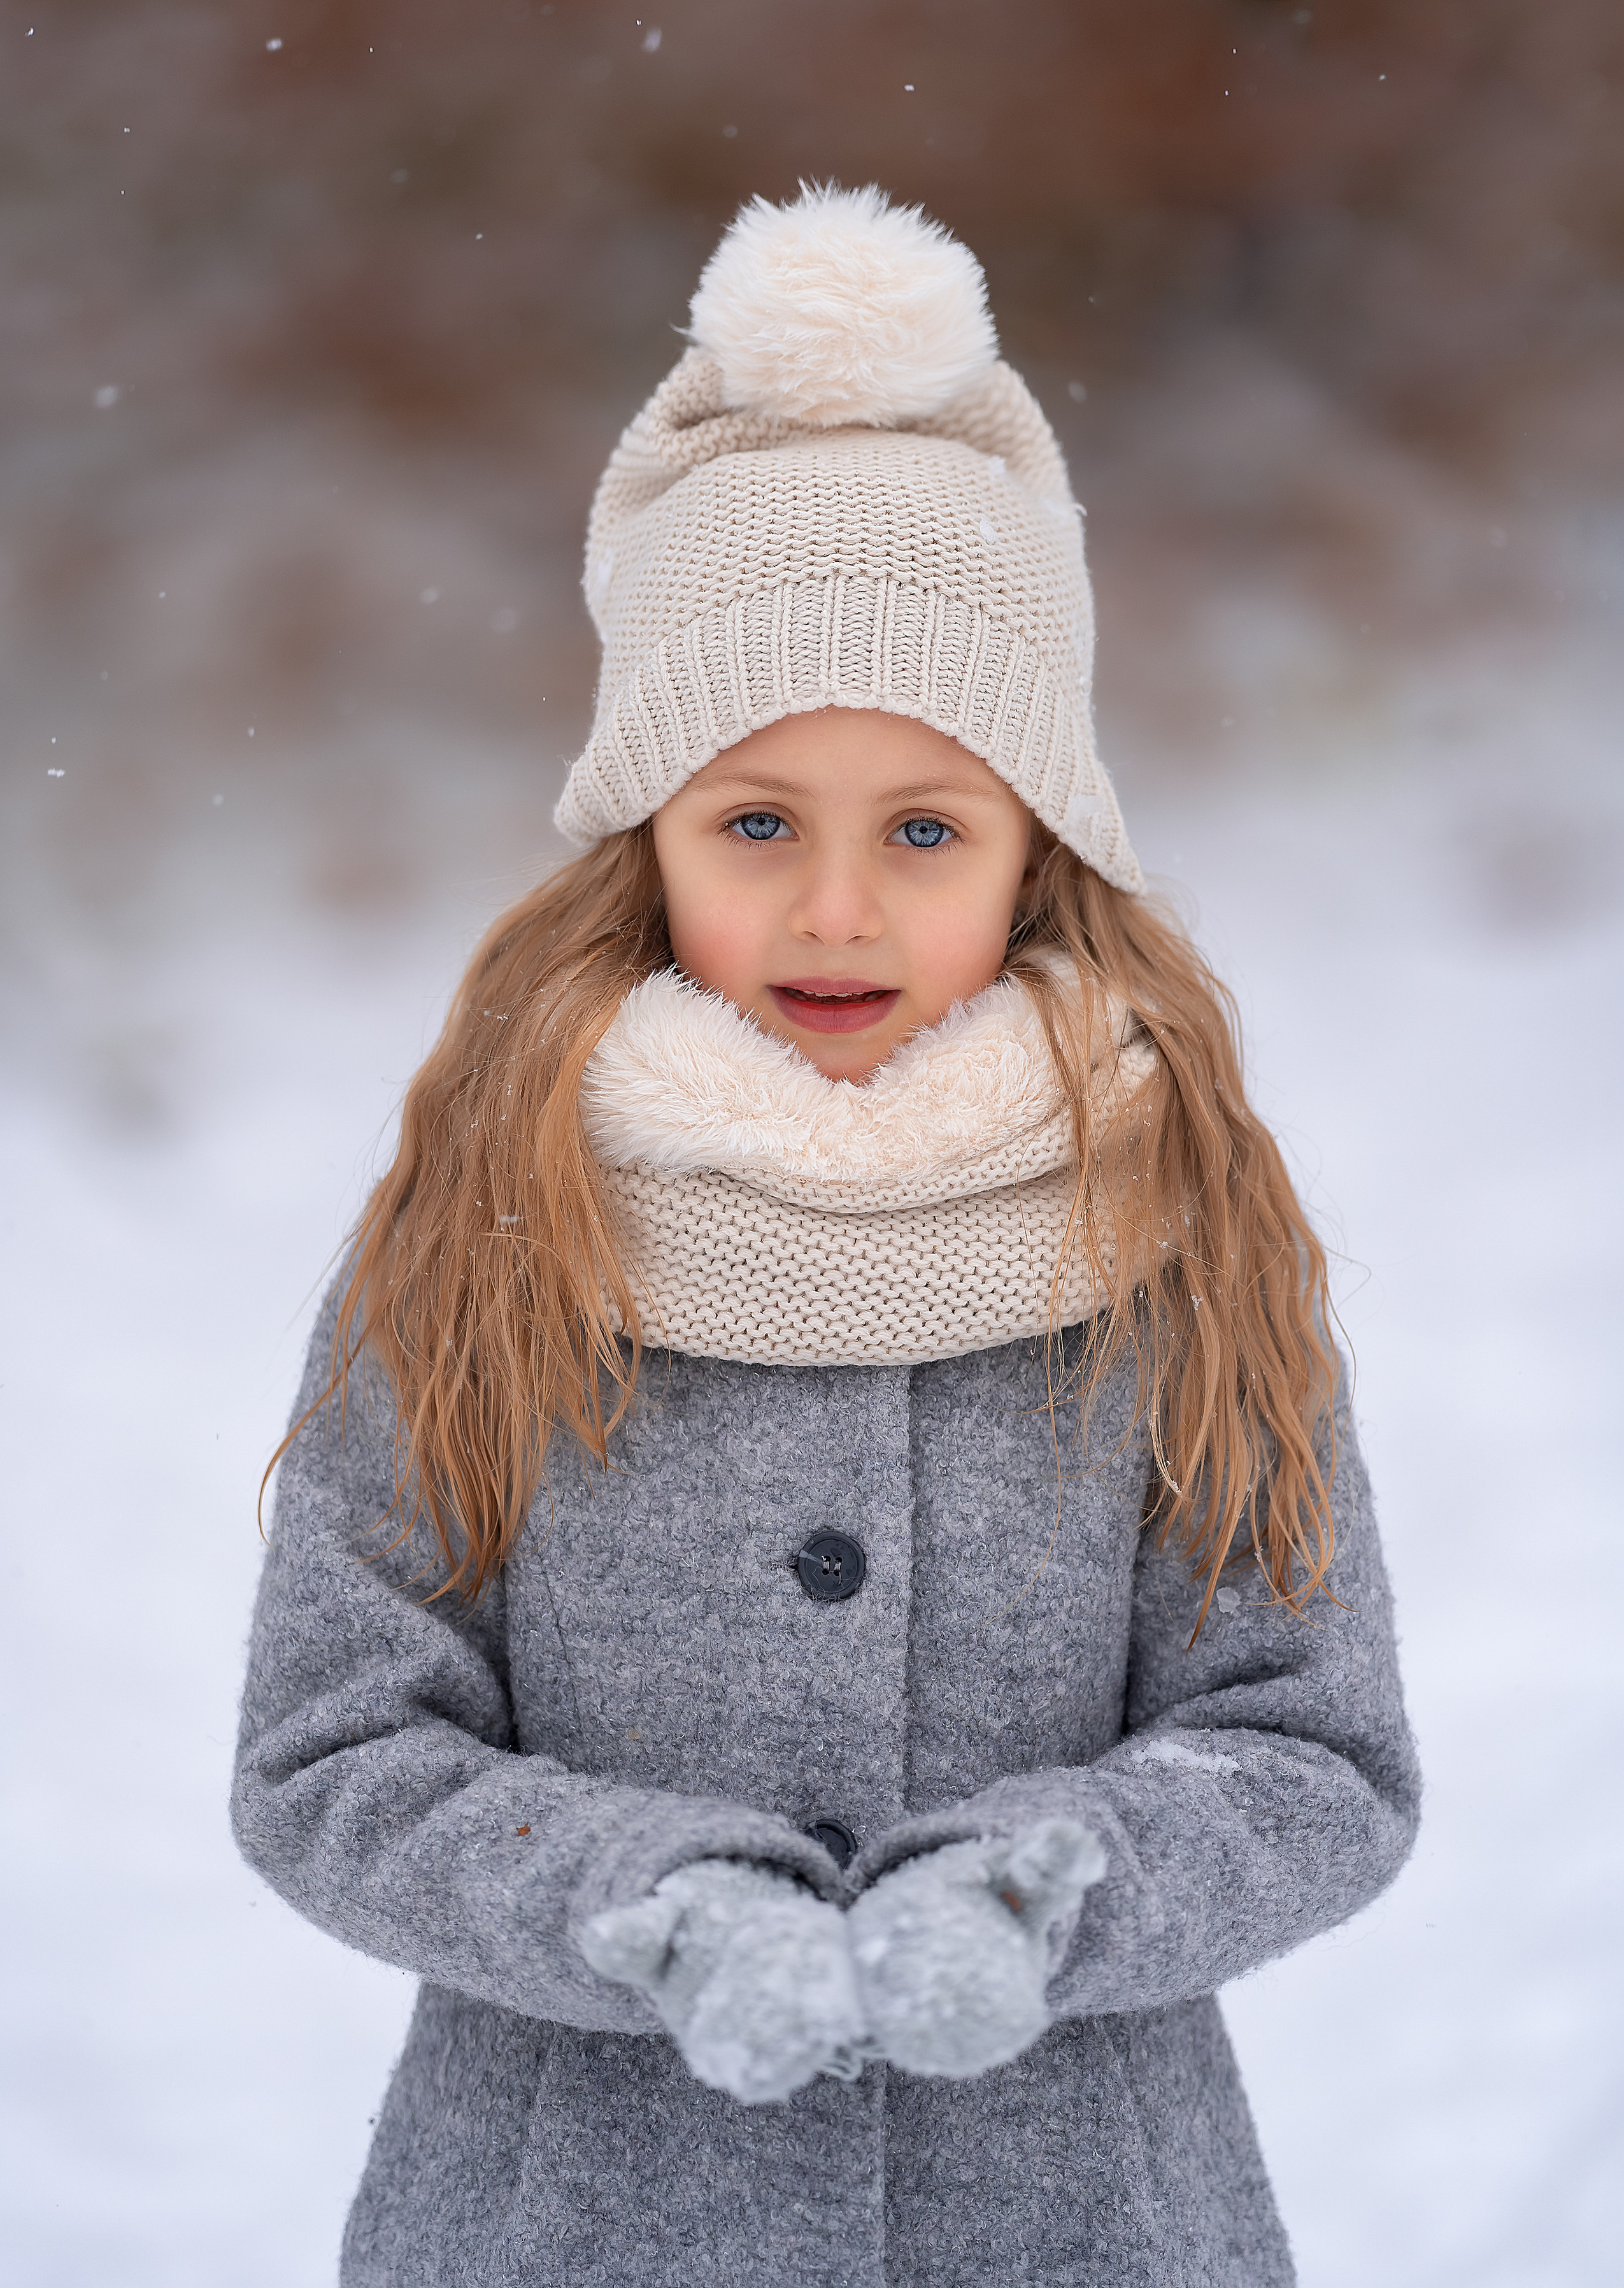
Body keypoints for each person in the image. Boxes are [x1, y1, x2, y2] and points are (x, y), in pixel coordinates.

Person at [233, 184, 1419, 2287]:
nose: (839, 911)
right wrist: (644, 1899)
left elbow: (1311, 1747)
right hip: (562, 2228)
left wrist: (1054, 1893)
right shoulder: (486, 1238)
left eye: (928, 830)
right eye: (758, 821)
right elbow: (339, 1753)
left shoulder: (1184, 1241)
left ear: (1042, 849)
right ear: (649, 833)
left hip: (1086, 2226)